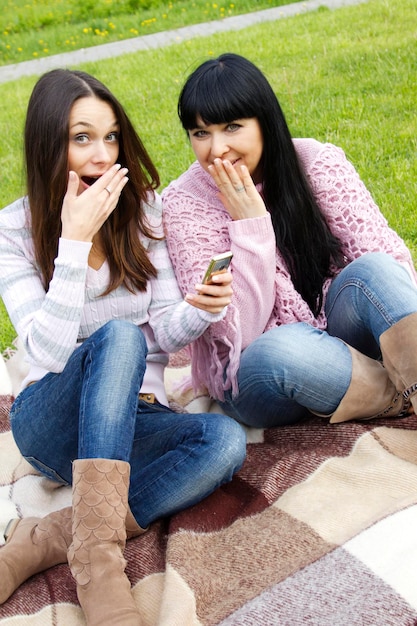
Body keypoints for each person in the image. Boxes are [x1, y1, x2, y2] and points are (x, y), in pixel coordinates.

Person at [0, 68, 246, 625]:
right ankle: (101, 564)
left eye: (111, 137)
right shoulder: (11, 231)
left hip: (131, 418)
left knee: (223, 441)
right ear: (47, 144)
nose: (101, 154)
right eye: (81, 137)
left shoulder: (143, 210)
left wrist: (200, 308)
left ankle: (53, 538)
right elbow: (44, 352)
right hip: (50, 421)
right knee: (115, 338)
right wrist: (73, 242)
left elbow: (159, 334)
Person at [162, 52, 417, 430]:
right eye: (201, 133)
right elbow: (238, 335)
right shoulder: (185, 204)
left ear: (264, 122)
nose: (215, 149)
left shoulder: (317, 163)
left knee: (375, 270)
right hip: (257, 373)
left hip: (335, 327)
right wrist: (251, 226)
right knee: (286, 348)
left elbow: (391, 267)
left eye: (232, 127)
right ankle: (395, 392)